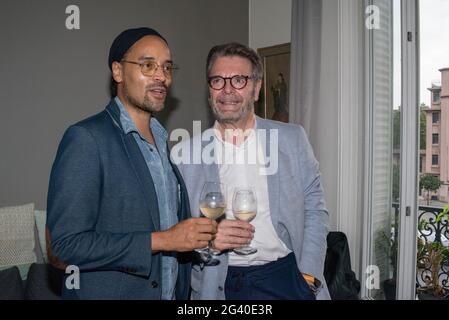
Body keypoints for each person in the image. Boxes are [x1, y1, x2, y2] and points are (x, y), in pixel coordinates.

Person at [46, 27, 217, 300]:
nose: (162, 76)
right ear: (117, 72)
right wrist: (164, 240)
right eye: (148, 65)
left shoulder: (162, 141)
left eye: (167, 67)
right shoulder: (86, 138)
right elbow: (63, 247)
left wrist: (195, 236)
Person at [176, 43, 330, 300]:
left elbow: (316, 209)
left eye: (238, 80)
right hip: (217, 280)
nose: (227, 90)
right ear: (209, 90)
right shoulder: (184, 156)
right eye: (218, 80)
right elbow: (176, 234)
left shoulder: (292, 139)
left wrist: (309, 277)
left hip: (285, 277)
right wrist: (208, 243)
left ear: (256, 88)